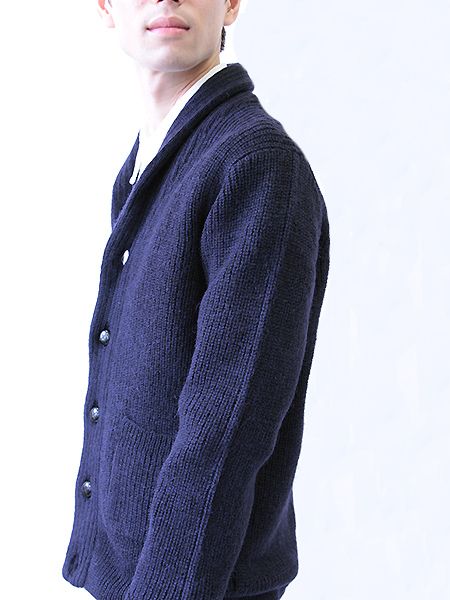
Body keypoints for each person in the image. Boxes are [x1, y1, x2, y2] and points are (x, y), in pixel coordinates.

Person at [61, 1, 330, 599]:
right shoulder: (152, 163)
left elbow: (227, 430)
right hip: (134, 578)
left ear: (231, 3)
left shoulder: (255, 165)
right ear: (105, 6)